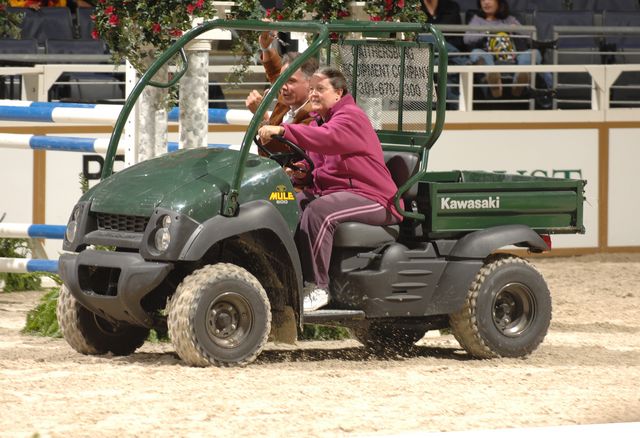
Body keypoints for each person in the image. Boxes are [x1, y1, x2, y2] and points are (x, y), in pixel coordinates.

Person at [258, 67, 403, 311]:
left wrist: (285, 130)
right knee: (284, 204)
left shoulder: (350, 117)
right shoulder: (321, 120)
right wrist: (299, 170)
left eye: (320, 89)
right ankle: (284, 280)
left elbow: (328, 139)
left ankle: (318, 287)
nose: (313, 94)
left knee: (318, 212)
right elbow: (316, 159)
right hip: (338, 193)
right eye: (312, 89)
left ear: (338, 93)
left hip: (374, 197)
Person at [245, 30, 318, 154]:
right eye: (282, 80)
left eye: (291, 81)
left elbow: (279, 154)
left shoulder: (314, 115)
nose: (283, 86)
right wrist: (266, 47)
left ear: (311, 83)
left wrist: (261, 116)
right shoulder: (288, 99)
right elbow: (275, 72)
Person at [463, 0, 547, 98]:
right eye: (482, 0)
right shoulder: (477, 20)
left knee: (534, 53)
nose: (485, 3)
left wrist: (516, 29)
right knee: (476, 53)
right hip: (490, 57)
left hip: (514, 57)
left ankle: (518, 84)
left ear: (499, 2)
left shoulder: (510, 20)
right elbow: (467, 39)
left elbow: (531, 38)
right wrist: (487, 31)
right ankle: (494, 82)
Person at [418, 0, 469, 108]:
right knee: (430, 37)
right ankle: (463, 60)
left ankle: (454, 111)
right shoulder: (415, 8)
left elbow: (455, 36)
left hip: (443, 55)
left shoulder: (451, 7)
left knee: (440, 64)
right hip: (424, 52)